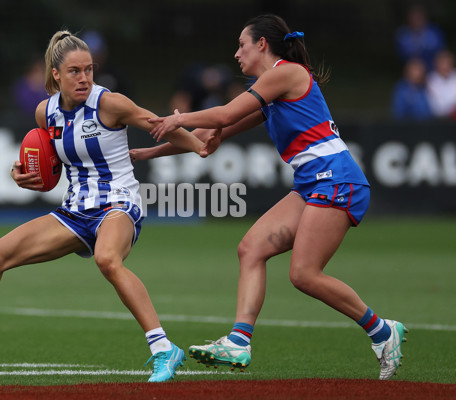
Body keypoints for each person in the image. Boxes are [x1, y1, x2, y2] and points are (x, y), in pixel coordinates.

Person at [0, 30, 219, 383]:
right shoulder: (44, 113)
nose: (84, 78)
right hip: (75, 212)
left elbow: (161, 127)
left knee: (108, 259)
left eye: (89, 70)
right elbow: (49, 165)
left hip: (118, 205)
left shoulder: (110, 103)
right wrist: (21, 174)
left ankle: (162, 348)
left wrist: (197, 145)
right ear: (56, 75)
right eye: (75, 71)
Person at [133, 14, 408, 380]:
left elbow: (226, 112)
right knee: (251, 248)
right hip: (313, 183)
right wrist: (143, 155)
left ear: (262, 44)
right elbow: (207, 136)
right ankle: (239, 342)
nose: (236, 54)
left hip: (337, 179)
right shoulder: (269, 92)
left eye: (241, 45)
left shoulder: (286, 72)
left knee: (304, 274)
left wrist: (176, 118)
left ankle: (383, 331)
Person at [395, 4, 445, 70]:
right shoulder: (403, 34)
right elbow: (404, 54)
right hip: (413, 70)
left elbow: (440, 50)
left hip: (434, 68)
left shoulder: (434, 31)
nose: (416, 20)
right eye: (413, 18)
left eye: (419, 17)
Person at [426, 49, 456, 120]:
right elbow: (437, 107)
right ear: (437, 64)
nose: (445, 66)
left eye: (447, 63)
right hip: (438, 120)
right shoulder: (431, 80)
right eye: (442, 63)